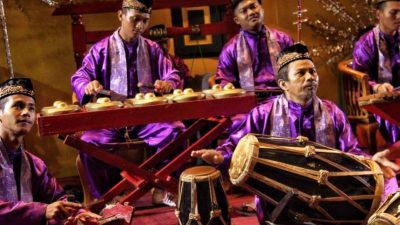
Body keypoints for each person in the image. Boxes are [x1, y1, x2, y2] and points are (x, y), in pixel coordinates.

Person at [192, 43, 399, 224]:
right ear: (283, 84)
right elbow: (236, 146)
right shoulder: (263, 114)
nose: (310, 77)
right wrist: (221, 156)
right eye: (301, 73)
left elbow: (351, 152)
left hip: (327, 197)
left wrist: (371, 161)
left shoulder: (332, 112)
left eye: (313, 72)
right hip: (278, 199)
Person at [71, 0, 184, 205]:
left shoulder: (153, 49)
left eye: (145, 21)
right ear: (120, 16)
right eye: (135, 19)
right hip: (110, 119)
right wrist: (87, 85)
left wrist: (168, 83)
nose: (140, 26)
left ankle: (163, 189)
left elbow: (173, 74)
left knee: (175, 131)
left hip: (146, 118)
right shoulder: (100, 50)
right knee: (88, 143)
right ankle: (105, 197)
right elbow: (79, 77)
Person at [0, 78, 96, 225]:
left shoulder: (34, 164)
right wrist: (42, 211)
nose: (26, 112)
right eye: (18, 106)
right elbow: (46, 210)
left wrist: (81, 214)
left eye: (31, 108)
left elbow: (57, 199)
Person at [215, 0, 294, 95]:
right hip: (248, 103)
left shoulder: (284, 40)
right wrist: (228, 87)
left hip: (284, 99)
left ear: (262, 9)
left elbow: (297, 70)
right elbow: (225, 81)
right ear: (237, 20)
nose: (251, 12)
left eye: (253, 6)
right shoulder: (230, 49)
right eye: (244, 11)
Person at [352, 0, 400, 145]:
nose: (399, 17)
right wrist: (377, 87)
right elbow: (359, 74)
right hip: (376, 95)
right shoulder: (366, 42)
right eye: (393, 13)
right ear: (379, 14)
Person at [149, 24, 192, 89]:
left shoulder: (177, 60)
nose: (163, 46)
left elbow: (188, 78)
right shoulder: (148, 61)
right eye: (159, 43)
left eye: (165, 42)